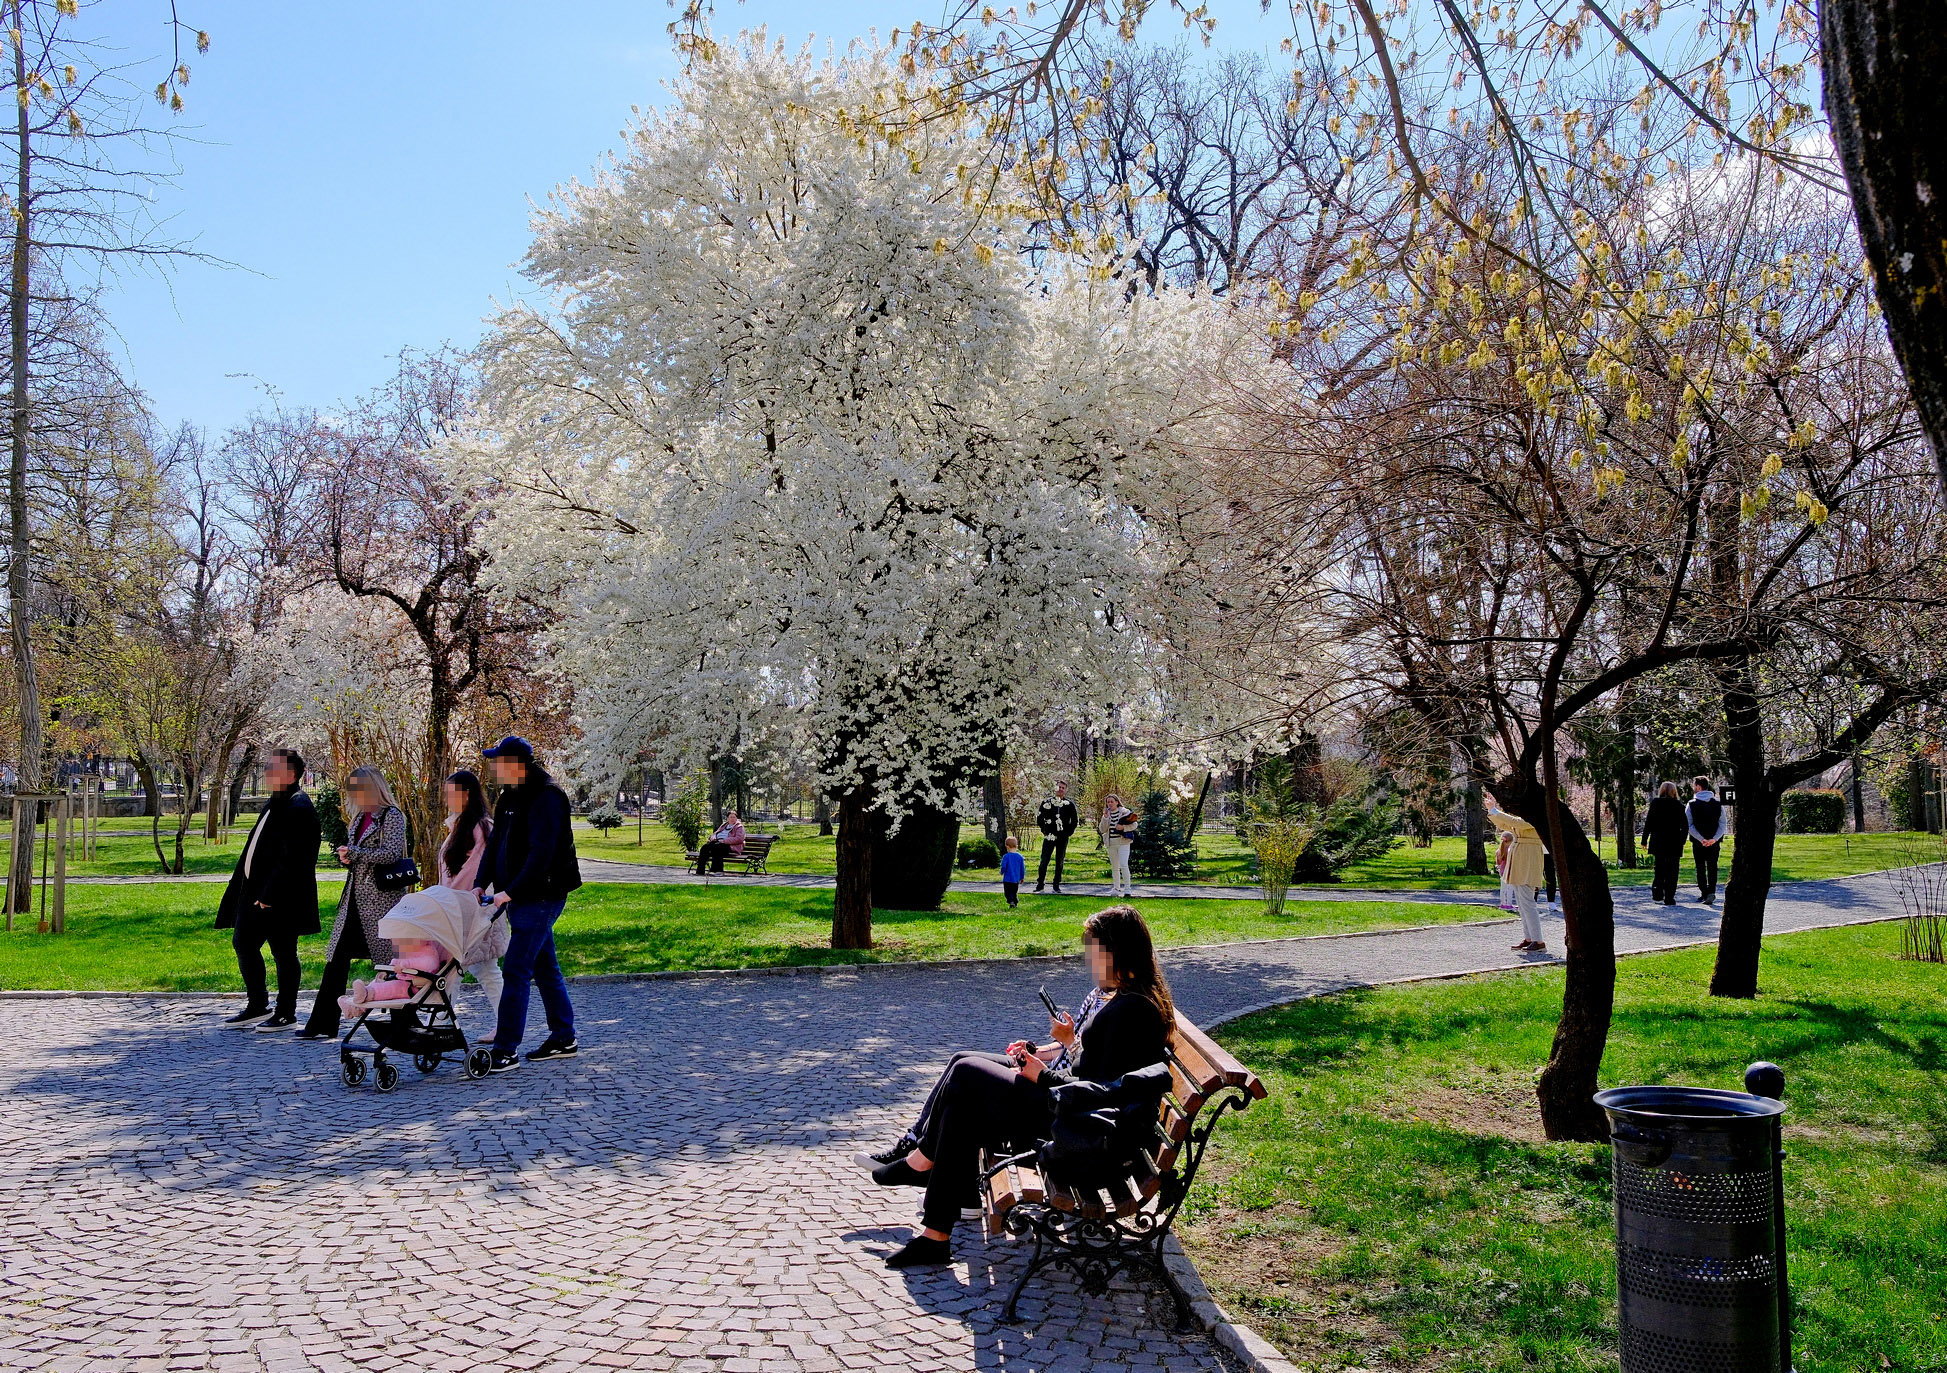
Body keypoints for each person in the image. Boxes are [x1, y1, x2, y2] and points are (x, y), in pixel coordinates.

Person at [857, 905, 1174, 1270]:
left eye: (1093, 948)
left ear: (1116, 951)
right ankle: (934, 1236)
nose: (1087, 956)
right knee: (962, 1103)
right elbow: (1096, 1077)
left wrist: (1041, 1075)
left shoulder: (1132, 1010)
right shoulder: (1126, 998)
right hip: (1069, 1108)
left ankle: (921, 1161)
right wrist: (1041, 1064)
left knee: (966, 1072)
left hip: (1074, 1125)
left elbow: (1096, 1091)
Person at [476, 736, 583, 1072]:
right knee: (544, 966)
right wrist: (481, 881)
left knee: (516, 968)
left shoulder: (548, 796)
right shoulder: (509, 796)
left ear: (516, 764)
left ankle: (505, 1050)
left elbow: (542, 853)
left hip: (543, 894)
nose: (493, 769)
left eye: (498, 762)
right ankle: (564, 1037)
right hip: (519, 894)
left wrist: (510, 892)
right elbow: (495, 845)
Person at [295, 767, 411, 1040]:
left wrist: (356, 853)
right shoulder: (359, 818)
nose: (355, 795)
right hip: (355, 901)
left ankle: (404, 1023)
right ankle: (322, 1023)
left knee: (391, 965)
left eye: (359, 789)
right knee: (336, 960)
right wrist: (348, 857)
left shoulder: (391, 816)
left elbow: (391, 853)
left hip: (382, 902)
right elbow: (363, 855)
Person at [215, 748, 322, 1031]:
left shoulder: (298, 806)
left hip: (279, 898)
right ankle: (257, 1006)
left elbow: (293, 860)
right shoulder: (277, 801)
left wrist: (269, 895)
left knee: (284, 952)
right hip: (255, 894)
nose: (266, 772)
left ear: (290, 773)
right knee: (244, 943)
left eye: (272, 768)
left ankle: (286, 1012)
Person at [439, 768, 507, 1011]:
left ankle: (442, 1024)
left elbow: (473, 871)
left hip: (472, 909)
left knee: (461, 969)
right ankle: (443, 1024)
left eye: (450, 794)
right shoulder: (460, 826)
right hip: (463, 909)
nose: (447, 799)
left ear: (466, 795)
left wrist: (446, 899)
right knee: (477, 969)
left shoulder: (480, 827)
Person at [1486, 803, 1548, 952]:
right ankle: (1529, 938)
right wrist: (1491, 811)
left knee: (1528, 902)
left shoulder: (1537, 814)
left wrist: (1496, 811)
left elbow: (1515, 823)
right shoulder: (1525, 817)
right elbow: (1505, 823)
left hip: (1528, 858)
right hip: (1520, 858)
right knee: (1522, 902)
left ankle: (1538, 940)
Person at [337, 936, 446, 1019]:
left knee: (391, 988)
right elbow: (398, 959)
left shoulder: (428, 951)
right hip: (403, 978)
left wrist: (405, 965)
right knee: (378, 983)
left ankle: (366, 995)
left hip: (415, 986)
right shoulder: (412, 949)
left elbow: (428, 964)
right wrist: (388, 968)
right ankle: (355, 1007)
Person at [1641, 780, 1690, 906]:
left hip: (1658, 840)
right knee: (1672, 872)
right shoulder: (1678, 805)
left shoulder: (1655, 803)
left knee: (1660, 868)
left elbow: (1649, 822)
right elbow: (1685, 826)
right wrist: (1682, 841)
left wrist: (1644, 839)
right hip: (1674, 842)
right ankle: (1669, 897)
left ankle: (1658, 892)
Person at [1687, 775, 1729, 905]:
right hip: (1714, 841)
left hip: (1698, 841)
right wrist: (1714, 839)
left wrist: (1701, 838)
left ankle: (1703, 892)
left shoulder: (1691, 804)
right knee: (1712, 866)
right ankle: (1711, 891)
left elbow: (1689, 824)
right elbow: (1723, 823)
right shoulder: (1717, 804)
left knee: (1700, 867)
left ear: (1698, 787)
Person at [1033, 782, 1079, 893]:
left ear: (1066, 790)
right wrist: (1045, 830)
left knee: (1059, 861)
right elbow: (1039, 818)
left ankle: (1056, 884)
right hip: (1049, 835)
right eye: (1059, 787)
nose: (1061, 789)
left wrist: (1068, 833)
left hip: (1063, 836)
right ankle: (1040, 884)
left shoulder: (1069, 804)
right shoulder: (1047, 803)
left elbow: (1074, 820)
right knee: (1044, 860)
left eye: (1063, 788)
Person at [1100, 793, 1137, 898]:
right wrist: (1105, 818)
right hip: (1111, 843)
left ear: (1117, 802)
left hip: (1123, 842)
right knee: (1115, 867)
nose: (1110, 804)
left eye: (1112, 801)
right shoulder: (1106, 814)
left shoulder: (1125, 812)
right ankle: (1116, 888)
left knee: (1124, 865)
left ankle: (1128, 889)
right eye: (1108, 802)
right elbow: (1102, 829)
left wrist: (1124, 828)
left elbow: (1134, 824)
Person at [694, 810, 745, 874]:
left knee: (718, 848)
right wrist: (713, 837)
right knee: (705, 847)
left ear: (736, 818)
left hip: (730, 846)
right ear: (727, 818)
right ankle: (700, 871)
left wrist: (724, 841)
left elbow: (739, 839)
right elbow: (716, 833)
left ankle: (718, 871)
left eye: (734, 817)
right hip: (718, 842)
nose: (732, 819)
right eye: (730, 817)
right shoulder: (724, 825)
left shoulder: (739, 827)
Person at [999, 835, 1025, 907]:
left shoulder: (1006, 857)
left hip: (1007, 879)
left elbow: (1003, 866)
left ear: (1007, 846)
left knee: (1007, 892)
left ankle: (1011, 901)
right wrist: (1022, 877)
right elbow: (1022, 868)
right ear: (1016, 845)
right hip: (1016, 879)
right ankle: (1014, 902)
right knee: (1014, 892)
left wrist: (1001, 871)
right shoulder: (1020, 857)